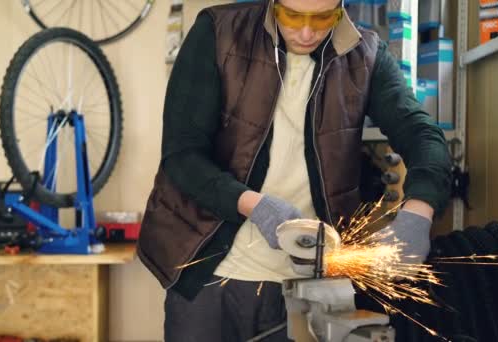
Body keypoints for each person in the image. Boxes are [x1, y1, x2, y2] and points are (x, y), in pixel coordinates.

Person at [137, 0, 452, 340]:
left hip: (305, 286)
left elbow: (423, 135)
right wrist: (252, 204)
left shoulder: (366, 55)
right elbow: (181, 156)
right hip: (210, 276)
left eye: (322, 18)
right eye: (292, 16)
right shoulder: (218, 31)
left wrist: (418, 213)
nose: (306, 32)